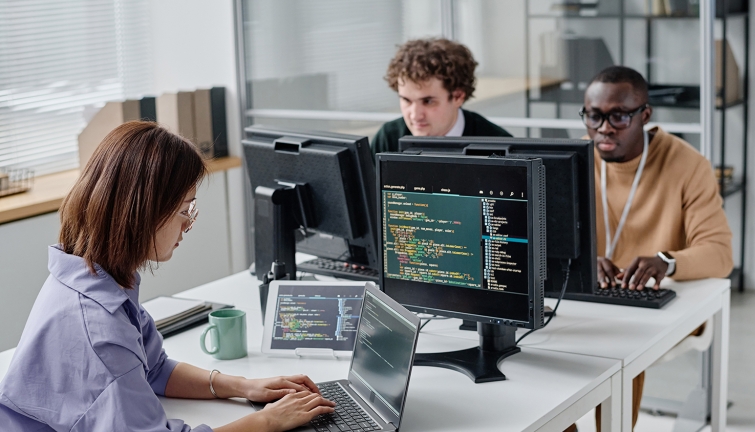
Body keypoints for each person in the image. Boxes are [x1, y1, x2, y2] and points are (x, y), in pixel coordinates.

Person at [0, 121, 335, 432]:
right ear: (143, 212)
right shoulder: (101, 334)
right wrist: (266, 423)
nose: (189, 223)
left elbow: (154, 368)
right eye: (185, 209)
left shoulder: (92, 273)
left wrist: (244, 386)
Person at [567, 66, 733, 432]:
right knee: (538, 345)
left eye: (618, 116)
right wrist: (580, 261)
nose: (604, 128)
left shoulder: (688, 164)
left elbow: (720, 253)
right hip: (594, 298)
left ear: (645, 115)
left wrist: (667, 261)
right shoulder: (575, 158)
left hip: (663, 298)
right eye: (594, 116)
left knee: (622, 346)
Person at [370, 37, 511, 158]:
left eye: (428, 101)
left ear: (458, 97)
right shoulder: (388, 139)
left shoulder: (500, 148)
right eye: (406, 100)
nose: (415, 115)